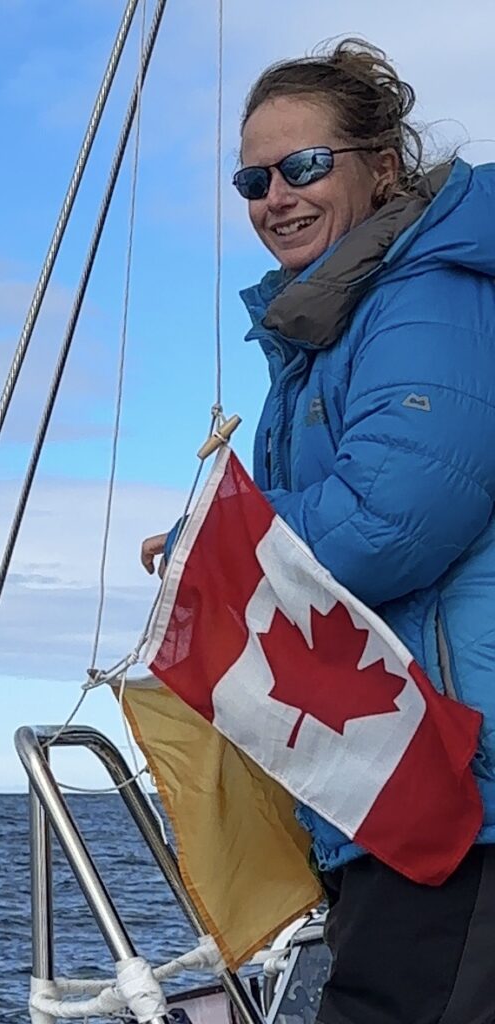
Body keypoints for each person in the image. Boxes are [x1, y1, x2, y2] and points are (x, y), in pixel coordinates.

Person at [142, 38, 495, 1024]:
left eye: (302, 167)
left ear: (380, 167)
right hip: (403, 781)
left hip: (466, 787)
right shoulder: (332, 327)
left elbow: (393, 516)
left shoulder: (428, 295)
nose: (273, 197)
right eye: (253, 178)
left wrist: (201, 556)